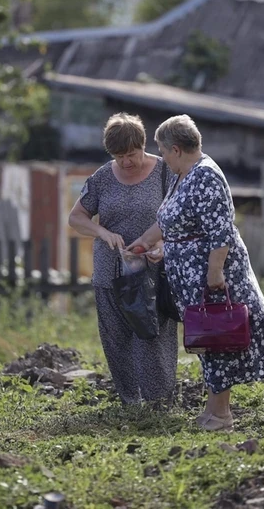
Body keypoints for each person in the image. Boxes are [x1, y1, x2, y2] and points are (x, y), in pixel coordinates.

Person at [130, 114, 264, 431]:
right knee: (208, 340)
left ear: (176, 149)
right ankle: (214, 410)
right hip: (191, 277)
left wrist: (215, 273)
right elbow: (168, 221)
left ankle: (221, 416)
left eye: (162, 152)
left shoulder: (205, 177)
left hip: (209, 276)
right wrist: (143, 243)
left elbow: (221, 233)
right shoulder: (185, 175)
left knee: (217, 339)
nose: (162, 159)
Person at [68, 113, 178, 405]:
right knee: (116, 338)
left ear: (143, 145)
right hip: (110, 272)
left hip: (153, 272)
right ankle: (130, 402)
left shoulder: (166, 172)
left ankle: (159, 401)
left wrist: (163, 246)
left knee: (152, 336)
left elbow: (179, 220)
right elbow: (76, 218)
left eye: (132, 154)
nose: (127, 162)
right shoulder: (103, 177)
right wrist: (102, 232)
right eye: (119, 156)